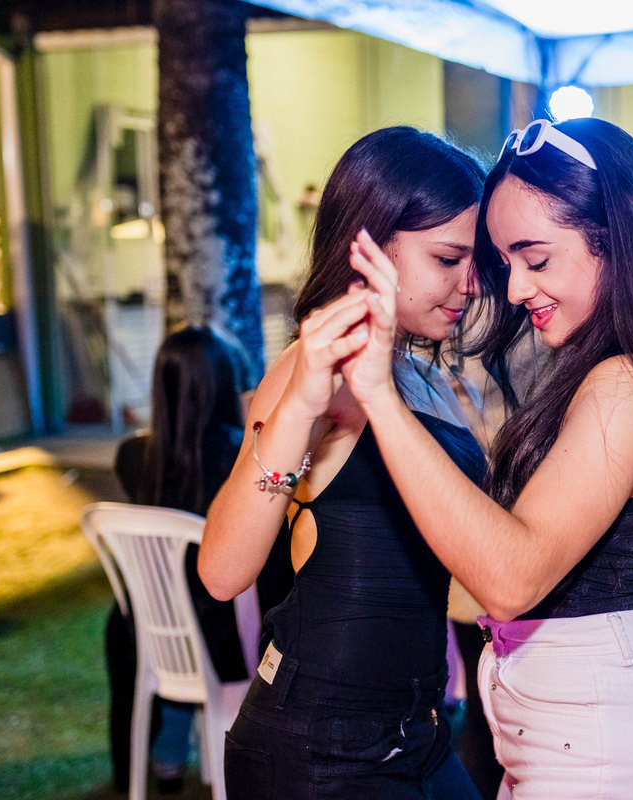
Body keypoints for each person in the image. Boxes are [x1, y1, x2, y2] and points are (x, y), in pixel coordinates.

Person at [334, 117, 633, 798]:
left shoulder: (622, 385)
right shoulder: (619, 372)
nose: (516, 288)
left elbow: (512, 577)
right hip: (578, 745)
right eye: (506, 263)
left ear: (617, 241)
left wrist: (379, 396)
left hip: (605, 758)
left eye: (536, 259)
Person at [199, 127, 490, 799]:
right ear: (372, 245)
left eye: (476, 261)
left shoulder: (422, 377)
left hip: (419, 735)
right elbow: (222, 572)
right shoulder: (311, 373)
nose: (471, 283)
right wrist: (300, 407)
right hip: (317, 748)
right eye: (448, 258)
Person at [107, 324, 291, 793]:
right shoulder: (241, 459)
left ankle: (168, 760)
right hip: (228, 639)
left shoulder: (134, 457)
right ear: (223, 383)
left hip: (153, 634)